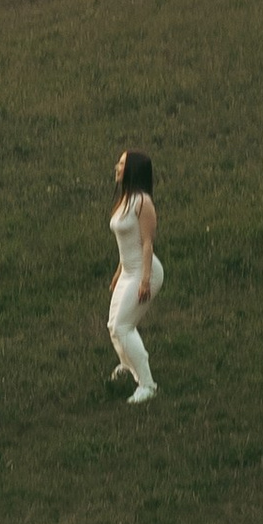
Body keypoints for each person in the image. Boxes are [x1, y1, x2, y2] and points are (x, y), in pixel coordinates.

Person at [107, 147, 162, 403]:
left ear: (132, 170)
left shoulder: (142, 202)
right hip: (128, 271)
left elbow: (146, 244)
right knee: (113, 327)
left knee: (123, 327)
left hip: (144, 272)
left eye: (121, 164)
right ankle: (128, 365)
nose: (117, 167)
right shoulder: (126, 199)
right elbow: (126, 242)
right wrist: (119, 272)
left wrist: (144, 281)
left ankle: (148, 385)